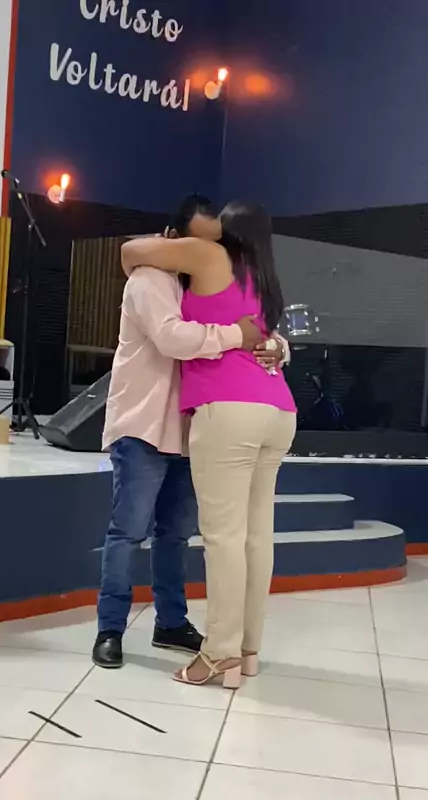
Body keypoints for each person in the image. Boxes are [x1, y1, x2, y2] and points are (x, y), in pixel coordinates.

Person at [93, 196, 288, 670]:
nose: (209, 250)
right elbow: (173, 339)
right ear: (172, 238)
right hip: (143, 424)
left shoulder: (206, 280)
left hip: (192, 426)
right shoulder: (149, 279)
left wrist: (275, 345)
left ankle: (171, 622)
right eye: (199, 242)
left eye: (215, 241)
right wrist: (238, 337)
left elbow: (254, 324)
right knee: (128, 531)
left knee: (176, 534)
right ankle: (110, 628)